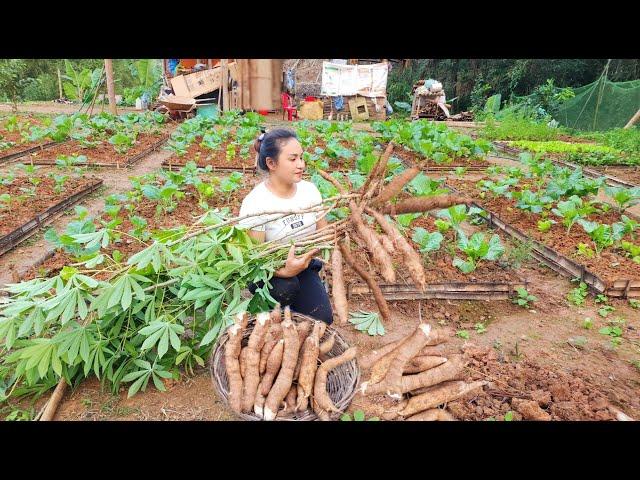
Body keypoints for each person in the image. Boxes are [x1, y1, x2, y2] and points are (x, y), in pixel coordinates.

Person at [238, 129, 334, 324]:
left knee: (322, 319)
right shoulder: (256, 203)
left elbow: (324, 235)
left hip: (304, 265)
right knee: (286, 288)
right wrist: (284, 271)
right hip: (268, 274)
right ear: (271, 163)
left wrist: (313, 256)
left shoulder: (310, 191)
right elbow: (253, 260)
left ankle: (295, 312)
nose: (301, 165)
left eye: (301, 157)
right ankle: (270, 317)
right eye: (293, 159)